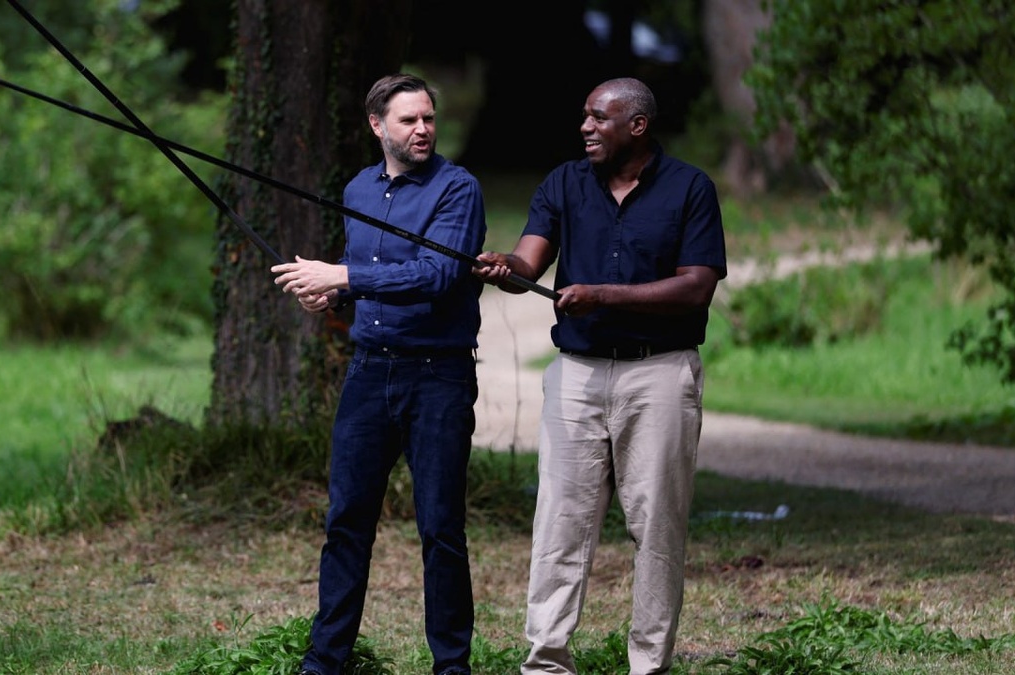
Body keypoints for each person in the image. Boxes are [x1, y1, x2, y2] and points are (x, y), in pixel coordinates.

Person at [473, 77, 727, 675]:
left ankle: (648, 665)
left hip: (660, 374)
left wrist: (603, 295)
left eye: (598, 117)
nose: (585, 126)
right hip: (576, 376)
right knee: (560, 523)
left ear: (637, 126)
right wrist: (505, 265)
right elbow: (528, 262)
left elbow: (697, 286)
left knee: (657, 527)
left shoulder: (690, 188)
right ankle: (546, 663)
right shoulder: (563, 183)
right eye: (584, 116)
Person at [270, 73, 486, 675]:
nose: (422, 129)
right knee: (346, 521)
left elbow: (436, 275)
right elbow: (364, 268)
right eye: (408, 120)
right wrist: (332, 293)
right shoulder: (359, 189)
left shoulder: (457, 189)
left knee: (440, 528)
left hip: (437, 376)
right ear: (377, 125)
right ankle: (326, 660)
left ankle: (452, 666)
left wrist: (343, 277)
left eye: (428, 118)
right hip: (368, 374)